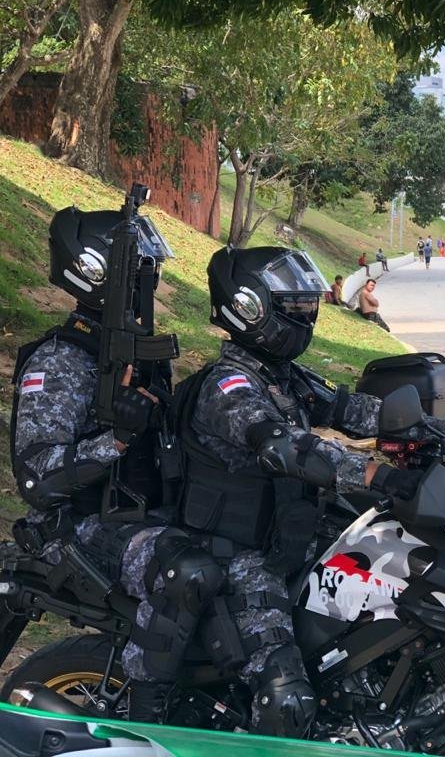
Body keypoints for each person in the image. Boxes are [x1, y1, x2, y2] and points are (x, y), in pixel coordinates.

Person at [178, 246, 421, 737]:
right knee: (286, 698)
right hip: (240, 557)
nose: (306, 316)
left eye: (309, 305)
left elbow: (351, 409)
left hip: (292, 538)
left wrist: (439, 432)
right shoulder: (228, 386)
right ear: (249, 309)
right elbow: (285, 447)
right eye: (295, 307)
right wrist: (375, 474)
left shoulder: (281, 376)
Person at [10, 200, 223, 722]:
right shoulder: (61, 361)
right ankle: (147, 723)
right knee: (185, 570)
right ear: (94, 271)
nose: (150, 282)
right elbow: (38, 478)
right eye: (139, 271)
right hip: (83, 525)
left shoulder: (136, 354)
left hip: (142, 514)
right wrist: (117, 439)